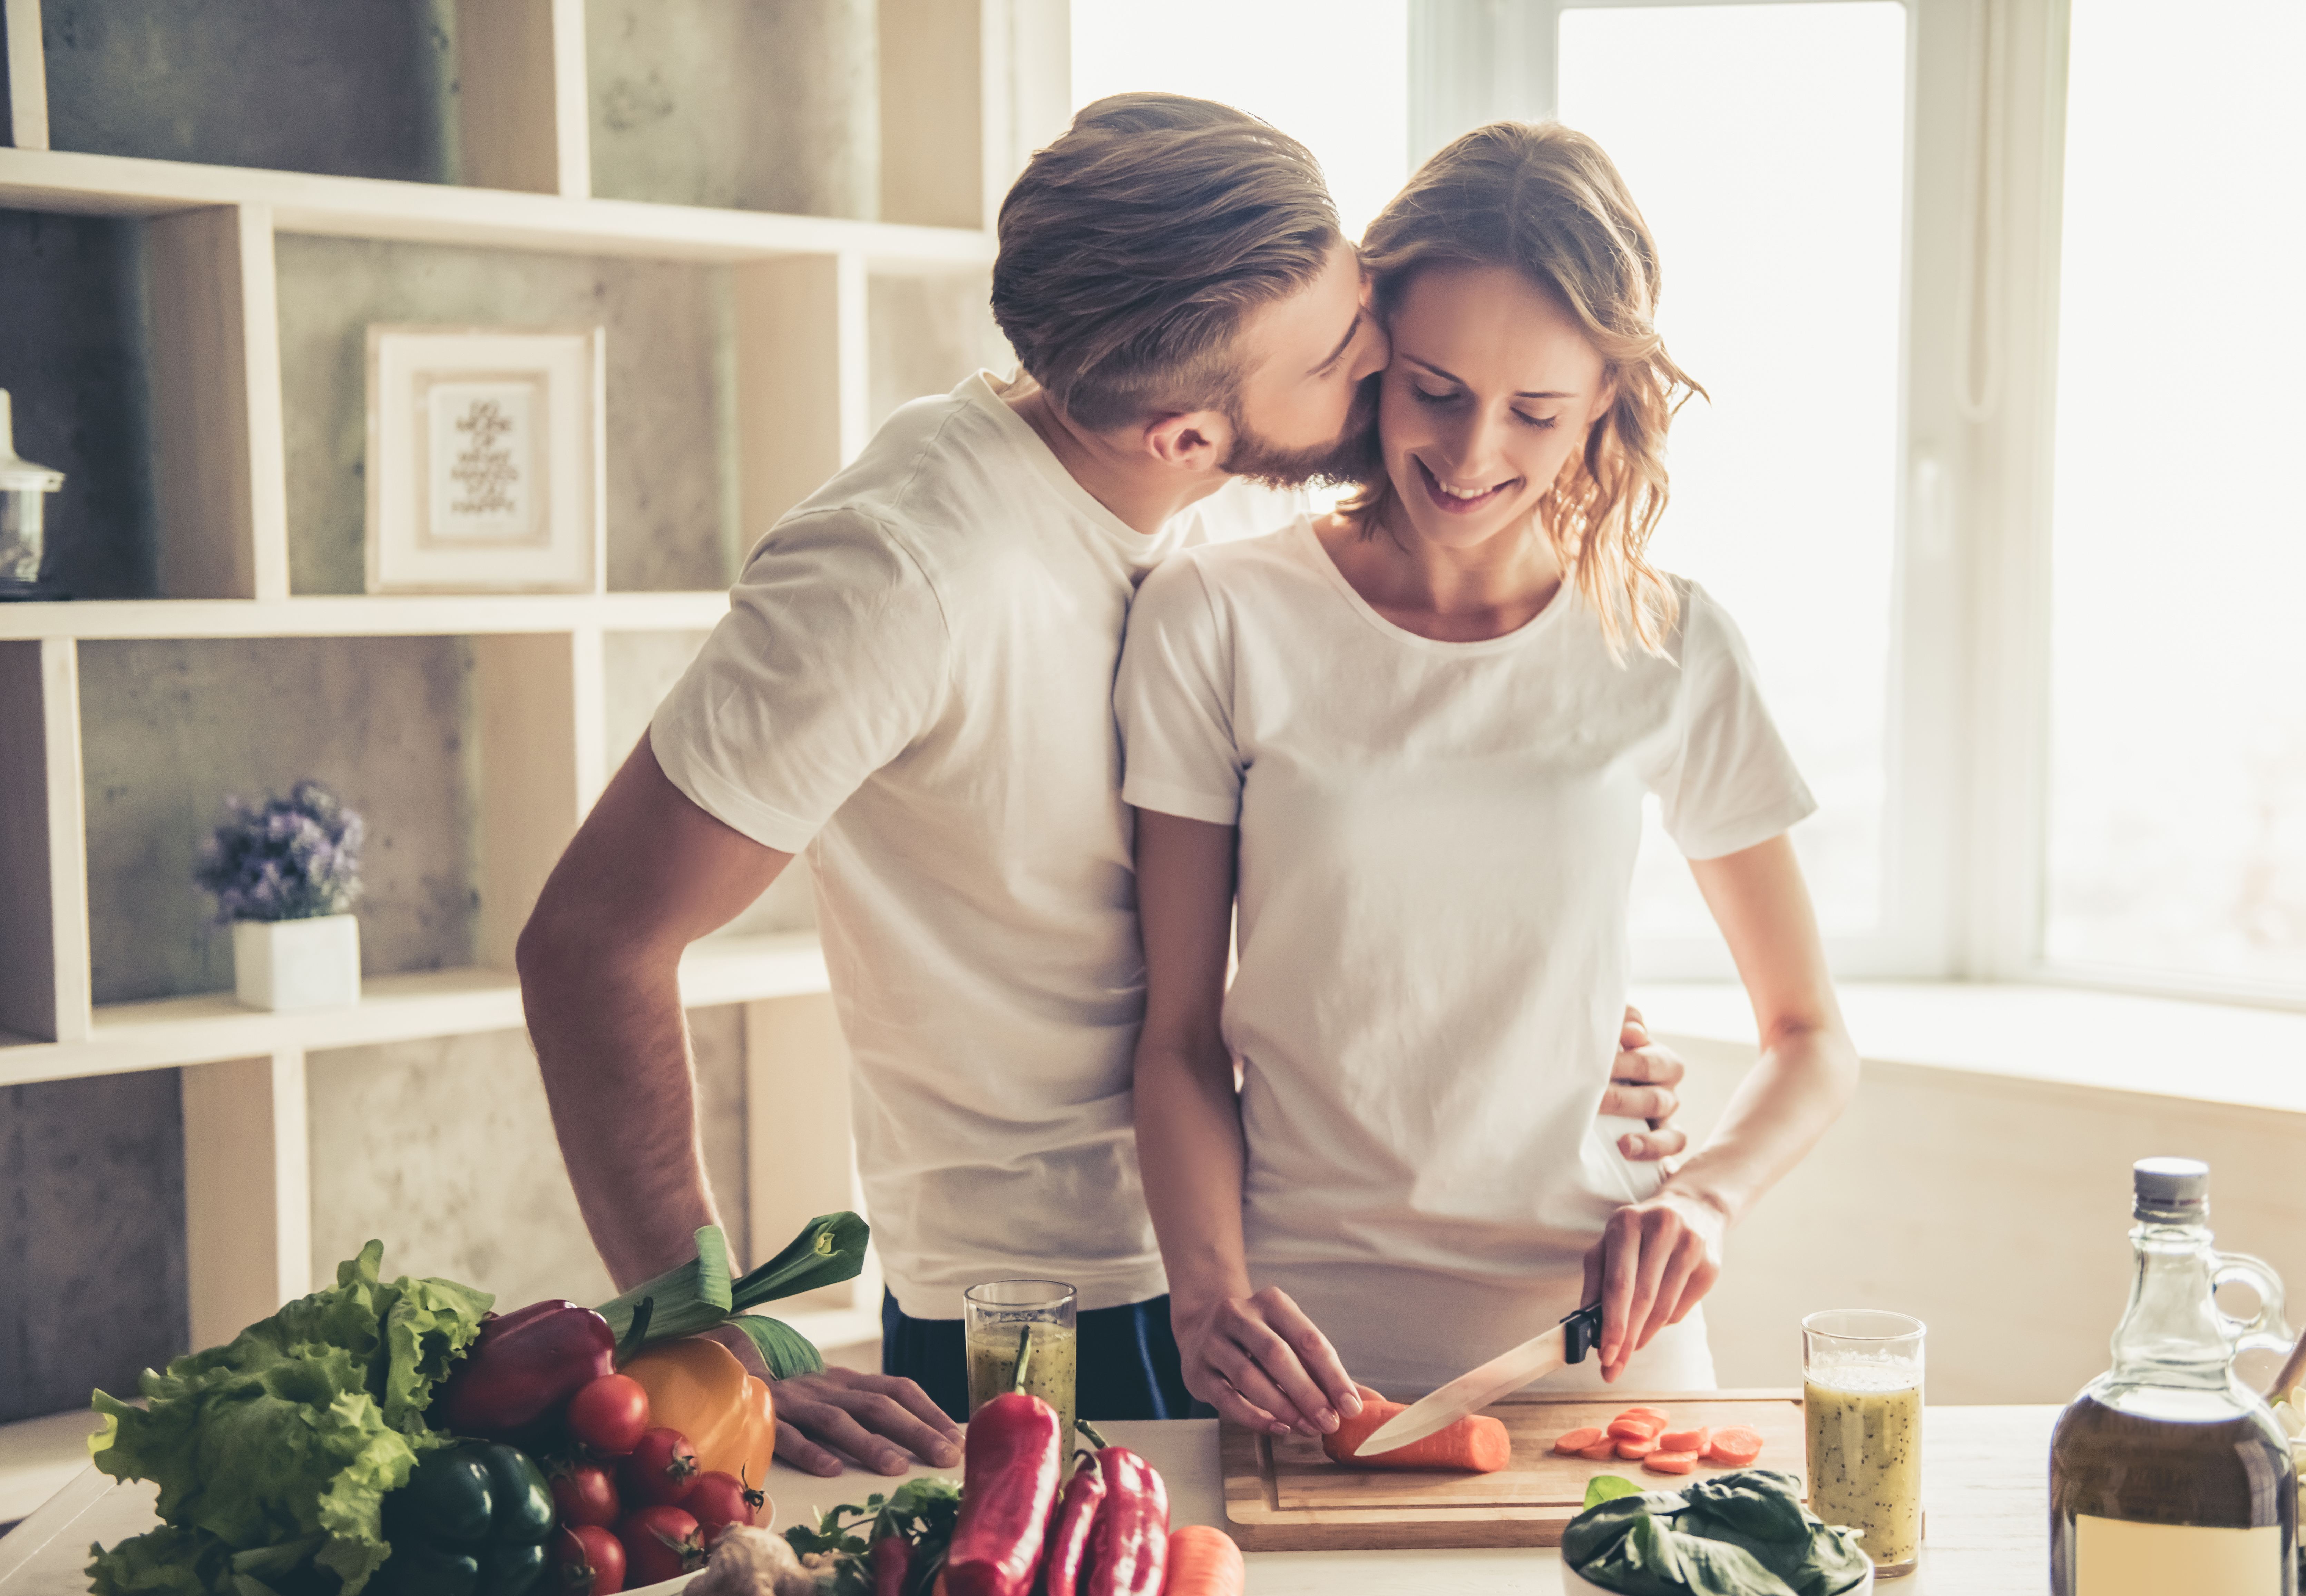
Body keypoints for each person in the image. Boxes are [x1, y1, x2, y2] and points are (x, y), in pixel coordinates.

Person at [517, 96, 1691, 1477]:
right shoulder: (893, 575)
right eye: (1339, 350)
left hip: (1262, 1248)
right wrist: (703, 1330)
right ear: (1186, 433)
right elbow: (592, 941)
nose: (1382, 358)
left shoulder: (1182, 486)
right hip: (1053, 1300)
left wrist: (1543, 1038)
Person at [1116, 120, 1862, 1438]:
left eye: (1535, 412)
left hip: (1600, 1345)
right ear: (1371, 364)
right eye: (1435, 390)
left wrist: (1705, 1198)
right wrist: (1207, 1296)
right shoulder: (1216, 613)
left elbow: (1808, 1036)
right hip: (1301, 1351)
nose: (1470, 456)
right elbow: (1175, 1034)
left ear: (1605, 406)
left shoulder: (1668, 641)